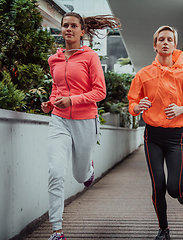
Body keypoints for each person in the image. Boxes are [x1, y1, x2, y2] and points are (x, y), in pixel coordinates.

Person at [41, 12, 120, 240]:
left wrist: (73, 100)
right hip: (59, 120)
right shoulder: (53, 59)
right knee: (55, 172)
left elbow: (100, 92)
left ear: (82, 31)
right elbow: (57, 88)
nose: (68, 29)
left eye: (73, 26)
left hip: (85, 121)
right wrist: (51, 102)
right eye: (65, 25)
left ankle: (88, 170)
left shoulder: (90, 57)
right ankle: (57, 231)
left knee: (79, 176)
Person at [127, 26, 183, 240]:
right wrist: (137, 107)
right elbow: (132, 103)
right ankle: (164, 229)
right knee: (158, 185)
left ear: (174, 45)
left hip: (175, 138)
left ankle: (181, 191)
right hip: (153, 137)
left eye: (170, 39)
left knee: (173, 189)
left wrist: (182, 109)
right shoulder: (143, 74)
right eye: (161, 39)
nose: (165, 42)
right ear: (155, 45)